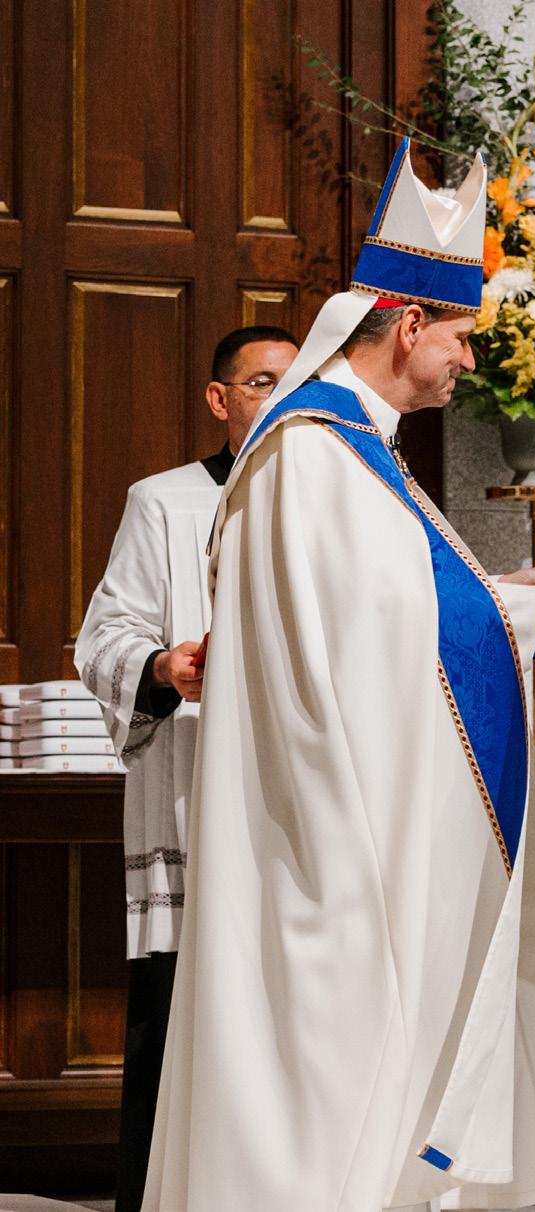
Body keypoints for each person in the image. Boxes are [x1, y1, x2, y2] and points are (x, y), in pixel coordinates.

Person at [142, 138, 535, 1212]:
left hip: (350, 804)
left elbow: (392, 602)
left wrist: (510, 598)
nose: (469, 360)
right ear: (408, 324)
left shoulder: (353, 449)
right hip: (320, 830)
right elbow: (375, 627)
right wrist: (531, 608)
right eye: (460, 336)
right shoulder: (310, 452)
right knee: (326, 1081)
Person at [74, 324, 298, 1212]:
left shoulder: (335, 501)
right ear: (219, 398)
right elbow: (104, 637)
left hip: (295, 798)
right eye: (261, 382)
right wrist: (165, 665)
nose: (279, 399)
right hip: (194, 792)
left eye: (293, 384)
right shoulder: (164, 503)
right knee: (175, 1016)